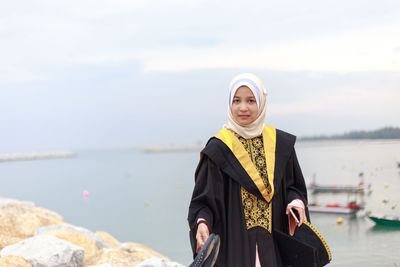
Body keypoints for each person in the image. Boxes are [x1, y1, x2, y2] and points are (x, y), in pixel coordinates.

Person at [187, 73, 309, 267]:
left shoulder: (280, 145)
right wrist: (202, 222)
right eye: (236, 101)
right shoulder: (219, 149)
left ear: (261, 103)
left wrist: (296, 202)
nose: (243, 107)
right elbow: (204, 200)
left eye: (251, 100)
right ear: (229, 104)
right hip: (233, 245)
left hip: (276, 243)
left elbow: (294, 186)